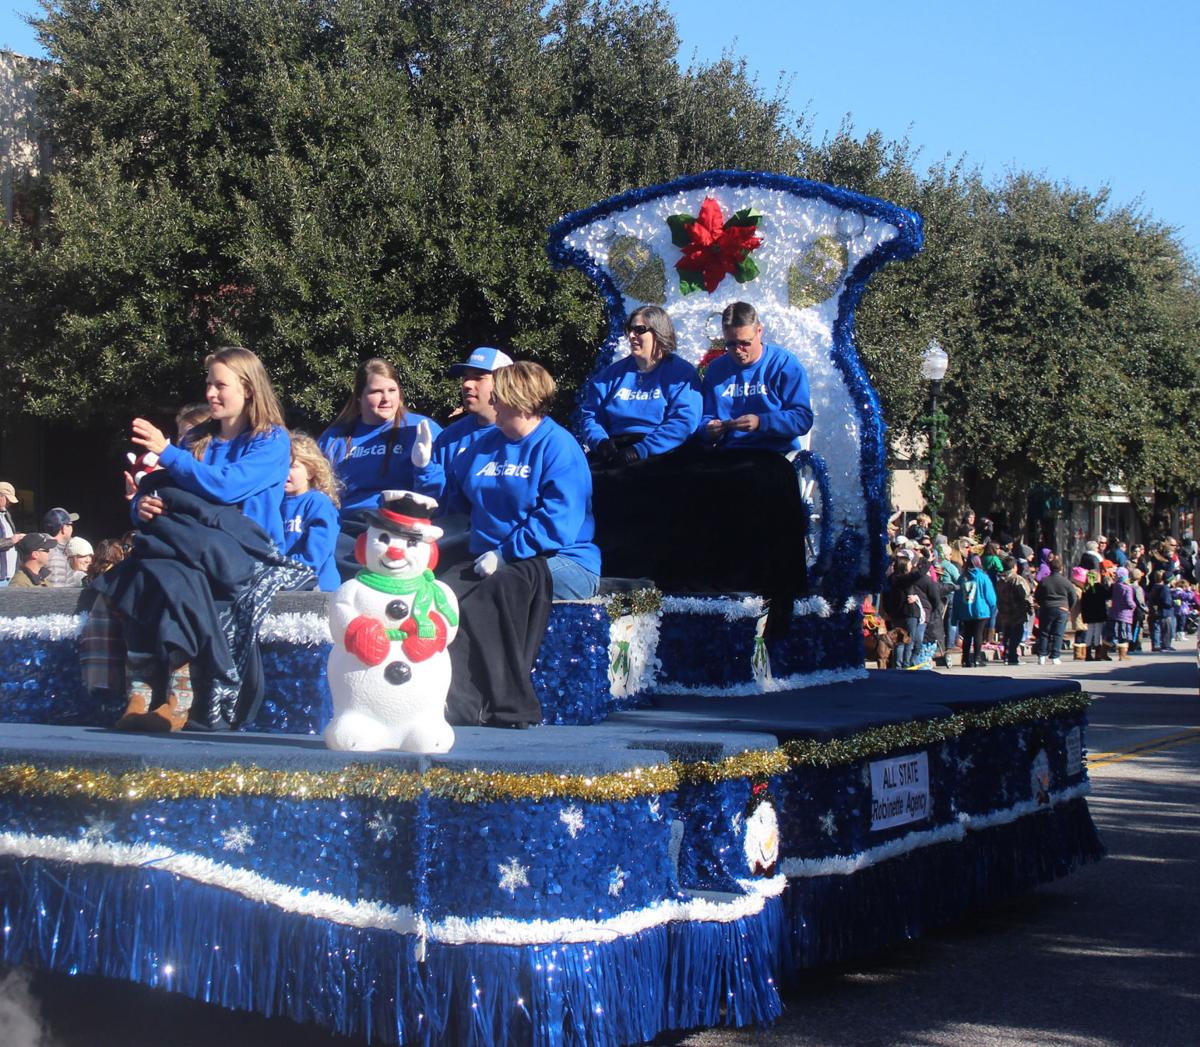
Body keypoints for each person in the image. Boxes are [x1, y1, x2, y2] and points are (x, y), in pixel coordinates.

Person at [91, 346, 310, 732]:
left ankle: (181, 696)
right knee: (141, 573)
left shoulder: (271, 440)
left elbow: (226, 486)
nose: (210, 393)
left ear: (248, 389)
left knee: (176, 577)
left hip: (245, 550)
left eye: (220, 385)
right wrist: (141, 506)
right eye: (208, 384)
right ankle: (142, 694)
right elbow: (162, 486)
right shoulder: (197, 438)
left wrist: (168, 453)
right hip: (189, 544)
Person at [442, 361, 600, 726]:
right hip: (489, 556)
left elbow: (558, 522)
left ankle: (504, 701)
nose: (492, 402)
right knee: (443, 592)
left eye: (498, 396)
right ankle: (458, 702)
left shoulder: (558, 446)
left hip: (561, 558)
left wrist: (505, 553)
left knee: (496, 588)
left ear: (520, 400)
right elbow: (456, 505)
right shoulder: (482, 446)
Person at [411, 346, 513, 565]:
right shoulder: (450, 437)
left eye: (479, 377)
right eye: (466, 378)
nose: (467, 384)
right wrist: (424, 468)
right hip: (452, 544)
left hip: (505, 550)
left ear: (504, 383)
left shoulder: (521, 435)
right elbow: (436, 503)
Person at [319, 358, 442, 519]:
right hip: (348, 523)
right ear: (359, 396)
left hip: (402, 521)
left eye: (392, 390)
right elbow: (316, 490)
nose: (386, 398)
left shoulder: (420, 429)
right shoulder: (335, 438)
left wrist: (424, 467)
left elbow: (440, 492)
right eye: (376, 391)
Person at [579, 307, 701, 465]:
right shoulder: (610, 376)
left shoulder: (681, 374)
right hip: (614, 448)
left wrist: (641, 449)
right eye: (629, 330)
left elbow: (683, 422)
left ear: (658, 332)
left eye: (639, 330)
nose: (631, 335)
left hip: (661, 451)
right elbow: (591, 415)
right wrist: (601, 442)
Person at [698, 301, 813, 452]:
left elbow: (802, 419)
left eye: (745, 343)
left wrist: (761, 422)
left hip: (774, 452)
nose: (738, 350)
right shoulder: (716, 369)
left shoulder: (784, 363)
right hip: (730, 454)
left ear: (759, 331)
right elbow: (704, 419)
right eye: (731, 344)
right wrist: (709, 429)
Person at [281, 433, 342, 592]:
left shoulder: (318, 503)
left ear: (310, 471)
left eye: (293, 466)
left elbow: (315, 554)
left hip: (316, 587)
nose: (285, 472)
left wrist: (283, 571)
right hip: (282, 581)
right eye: (281, 465)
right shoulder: (275, 503)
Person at [954, 553, 997, 668]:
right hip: (981, 610)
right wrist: (993, 607)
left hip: (965, 610)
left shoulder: (962, 578)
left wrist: (956, 613)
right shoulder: (983, 577)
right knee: (978, 634)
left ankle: (965, 659)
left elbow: (957, 597)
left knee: (967, 635)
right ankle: (977, 658)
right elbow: (990, 597)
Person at [1034, 554, 1076, 666]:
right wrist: (1068, 607)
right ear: (1061, 568)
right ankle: (1055, 656)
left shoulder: (1044, 581)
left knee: (1044, 632)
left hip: (1046, 608)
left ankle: (1042, 656)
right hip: (1062, 608)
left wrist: (1043, 604)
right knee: (1058, 633)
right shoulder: (1066, 582)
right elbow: (1073, 597)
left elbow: (1037, 595)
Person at [995, 556, 1034, 665]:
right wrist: (1030, 607)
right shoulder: (1017, 579)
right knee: (1017, 633)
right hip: (1017, 611)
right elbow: (1025, 595)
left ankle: (1006, 654)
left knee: (1006, 633)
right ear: (1014, 567)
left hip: (1004, 610)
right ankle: (1012, 656)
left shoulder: (1000, 580)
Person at [41, 507, 80, 588]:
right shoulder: (55, 558)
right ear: (63, 529)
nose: (72, 528)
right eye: (70, 524)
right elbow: (56, 593)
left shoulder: (46, 548)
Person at [0, 481, 23, 587]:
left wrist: (18, 538)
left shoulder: (6, 515)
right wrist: (11, 540)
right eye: (8, 499)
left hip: (10, 574)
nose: (10, 503)